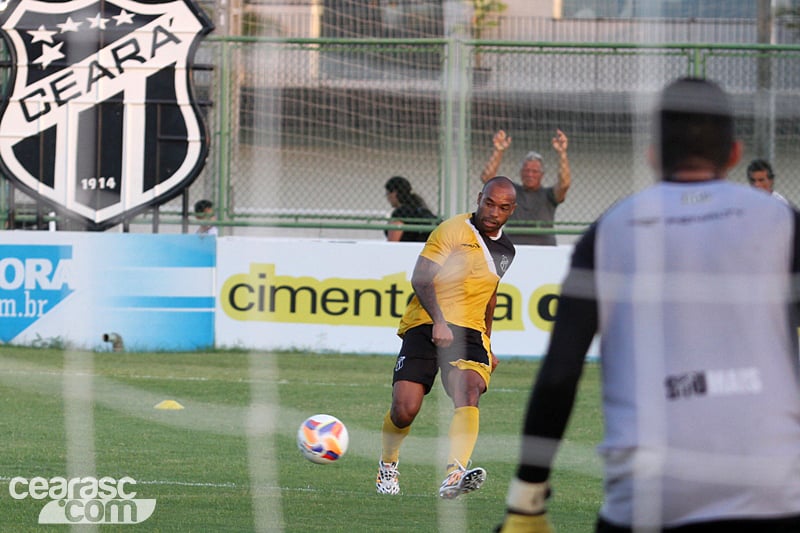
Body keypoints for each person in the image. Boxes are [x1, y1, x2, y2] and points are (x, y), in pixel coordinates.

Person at [498, 77, 800, 532]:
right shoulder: (782, 221)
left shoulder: (610, 230)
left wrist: (527, 502)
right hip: (776, 492)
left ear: (652, 154)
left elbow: (560, 373)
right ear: (735, 154)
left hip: (649, 500)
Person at [376, 176, 517, 499]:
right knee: (404, 409)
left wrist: (489, 343)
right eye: (489, 203)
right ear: (480, 198)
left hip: (470, 331)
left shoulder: (507, 250)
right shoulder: (452, 230)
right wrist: (439, 321)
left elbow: (490, 297)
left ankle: (455, 473)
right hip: (427, 320)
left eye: (503, 207)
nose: (494, 212)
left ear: (512, 210)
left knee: (469, 390)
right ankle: (388, 463)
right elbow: (421, 277)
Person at [479, 129, 571, 246]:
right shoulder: (511, 192)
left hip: (545, 250)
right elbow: (487, 179)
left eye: (534, 171)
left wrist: (562, 153)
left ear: (542, 174)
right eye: (526, 170)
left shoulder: (549, 195)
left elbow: (564, 184)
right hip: (512, 249)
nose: (530, 174)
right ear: (521, 173)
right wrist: (498, 151)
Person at [384, 176, 437, 242]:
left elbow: (393, 242)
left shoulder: (400, 213)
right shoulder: (421, 209)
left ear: (394, 193)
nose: (387, 198)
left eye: (387, 194)